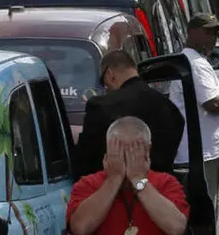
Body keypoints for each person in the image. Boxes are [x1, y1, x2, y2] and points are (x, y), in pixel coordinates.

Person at [169, 13, 219, 219]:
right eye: (208, 32)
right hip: (201, 151)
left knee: (210, 207)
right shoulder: (195, 63)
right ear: (191, 33)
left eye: (215, 32)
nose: (213, 37)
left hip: (203, 149)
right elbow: (213, 104)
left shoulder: (193, 60)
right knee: (206, 210)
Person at [73, 50, 185, 180]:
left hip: (115, 193)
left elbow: (84, 162)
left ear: (110, 75)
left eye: (104, 84)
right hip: (160, 192)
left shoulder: (101, 107)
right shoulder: (170, 109)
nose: (106, 88)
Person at [67, 117, 189, 235]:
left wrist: (139, 181)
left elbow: (176, 228)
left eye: (134, 150)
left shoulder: (166, 182)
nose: (127, 156)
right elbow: (80, 228)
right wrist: (113, 180)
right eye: (119, 150)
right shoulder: (88, 184)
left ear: (148, 150)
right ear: (108, 150)